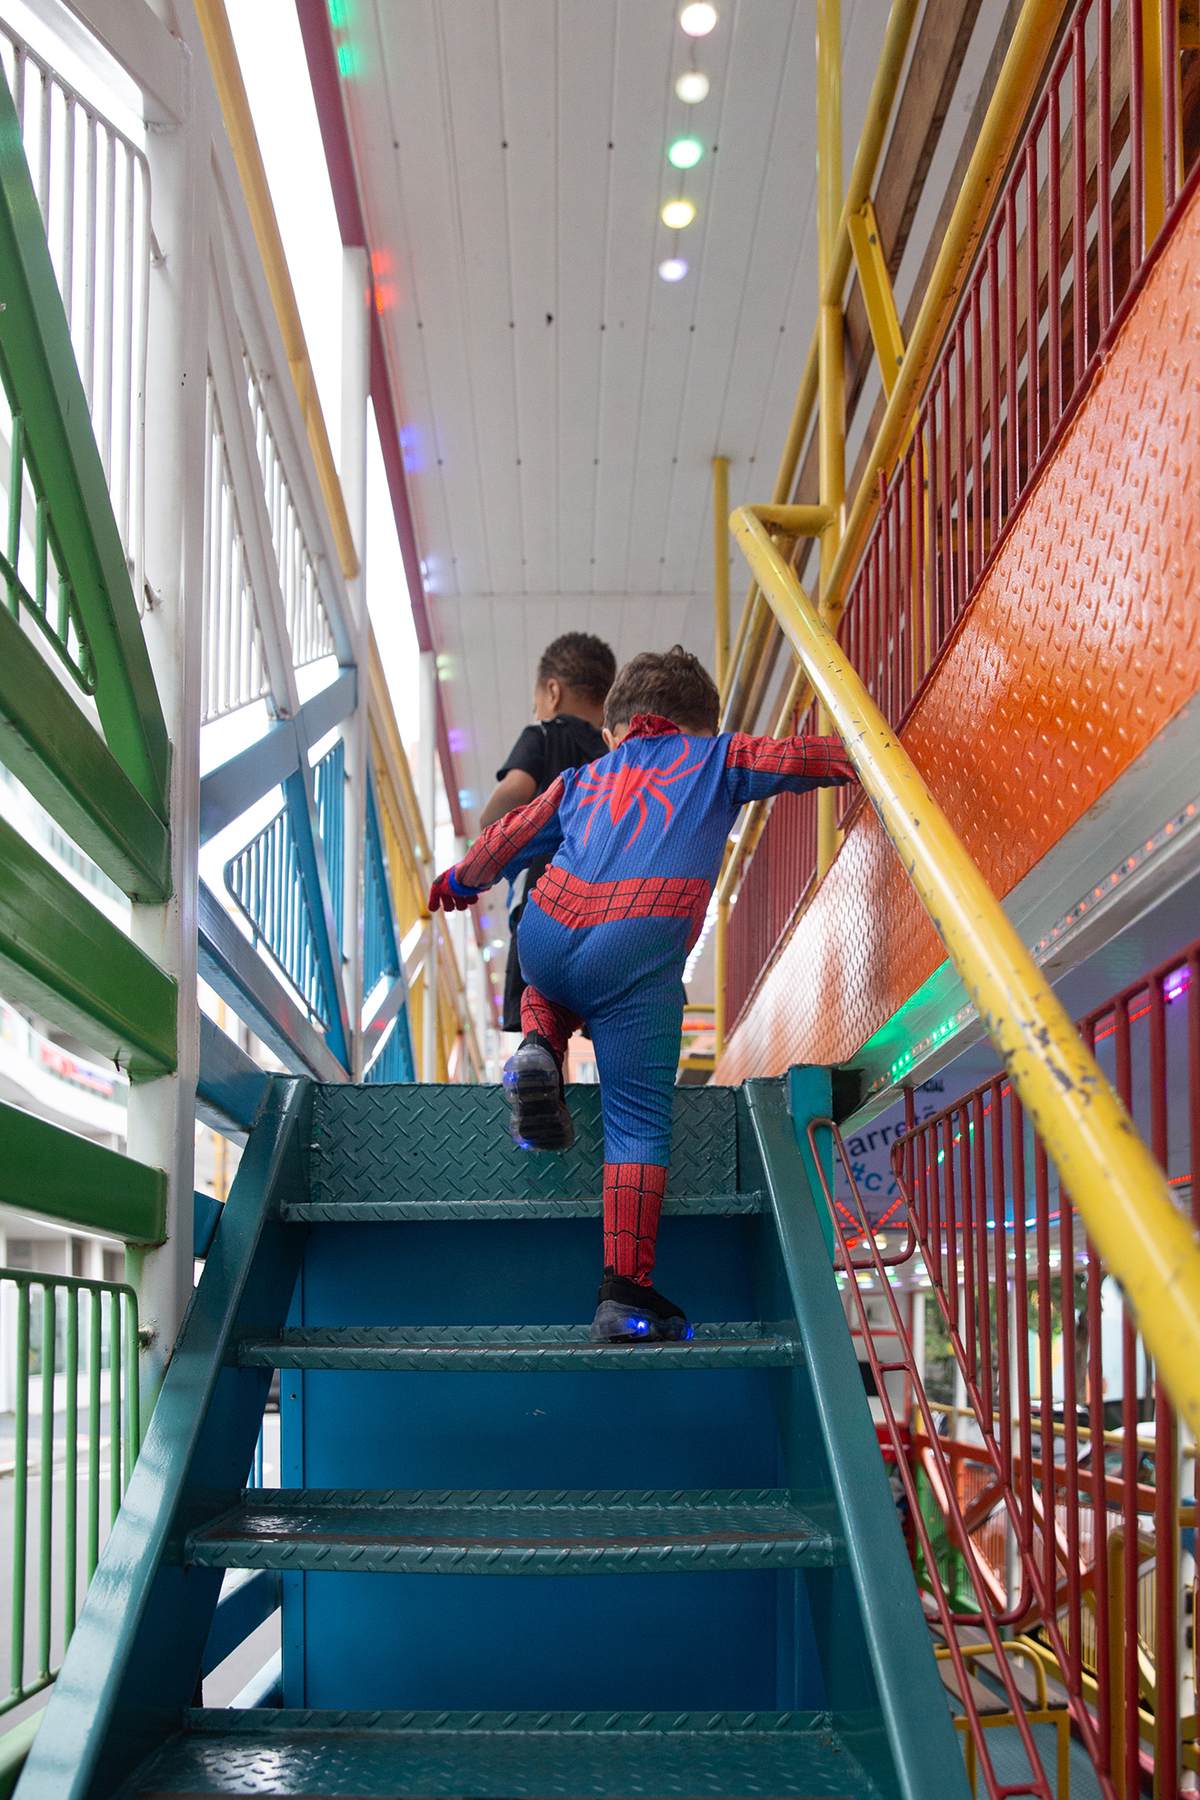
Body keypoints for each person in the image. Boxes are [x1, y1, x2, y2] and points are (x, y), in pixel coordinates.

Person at [430, 646, 857, 1343]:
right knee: (635, 1124)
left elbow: (507, 836)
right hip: (636, 959)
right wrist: (863, 753)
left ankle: (540, 1043)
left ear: (614, 731)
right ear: (702, 724)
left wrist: (458, 883)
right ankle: (623, 1292)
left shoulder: (581, 776)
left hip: (546, 933)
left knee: (552, 975)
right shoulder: (718, 758)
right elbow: (803, 758)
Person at [481, 632, 616, 1033]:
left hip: (544, 907)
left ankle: (539, 1078)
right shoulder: (617, 756)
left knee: (539, 1023)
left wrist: (491, 835)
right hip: (609, 914)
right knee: (609, 1023)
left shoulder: (543, 734)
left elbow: (511, 795)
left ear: (552, 692)